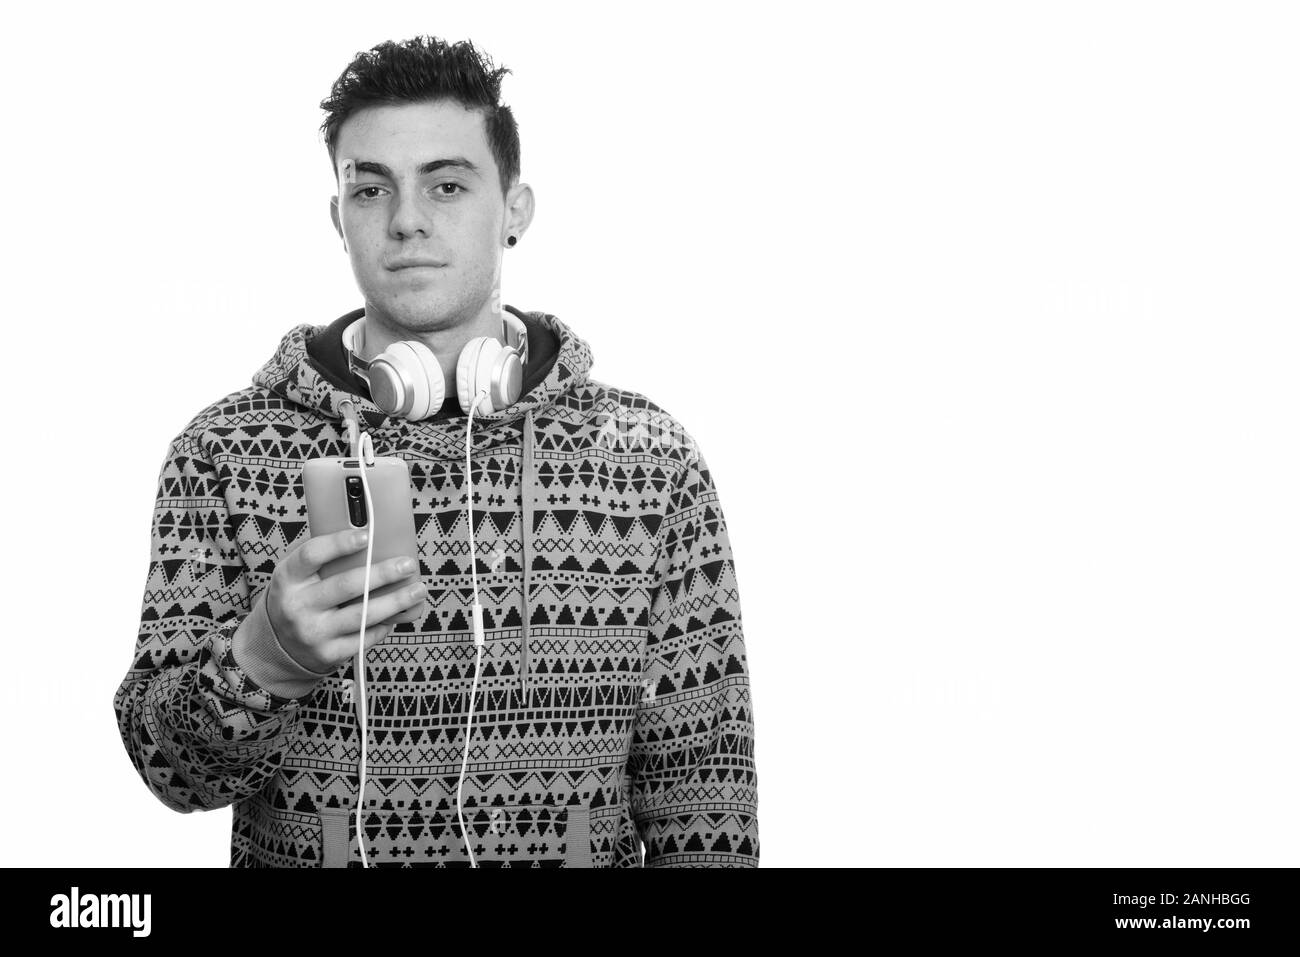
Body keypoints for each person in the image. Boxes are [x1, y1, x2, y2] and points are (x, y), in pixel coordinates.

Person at [112, 35, 759, 868]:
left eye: (446, 185)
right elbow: (169, 770)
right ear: (338, 216)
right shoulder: (223, 453)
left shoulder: (650, 460)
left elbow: (704, 789)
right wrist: (266, 658)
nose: (407, 218)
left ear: (515, 207)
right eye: (371, 187)